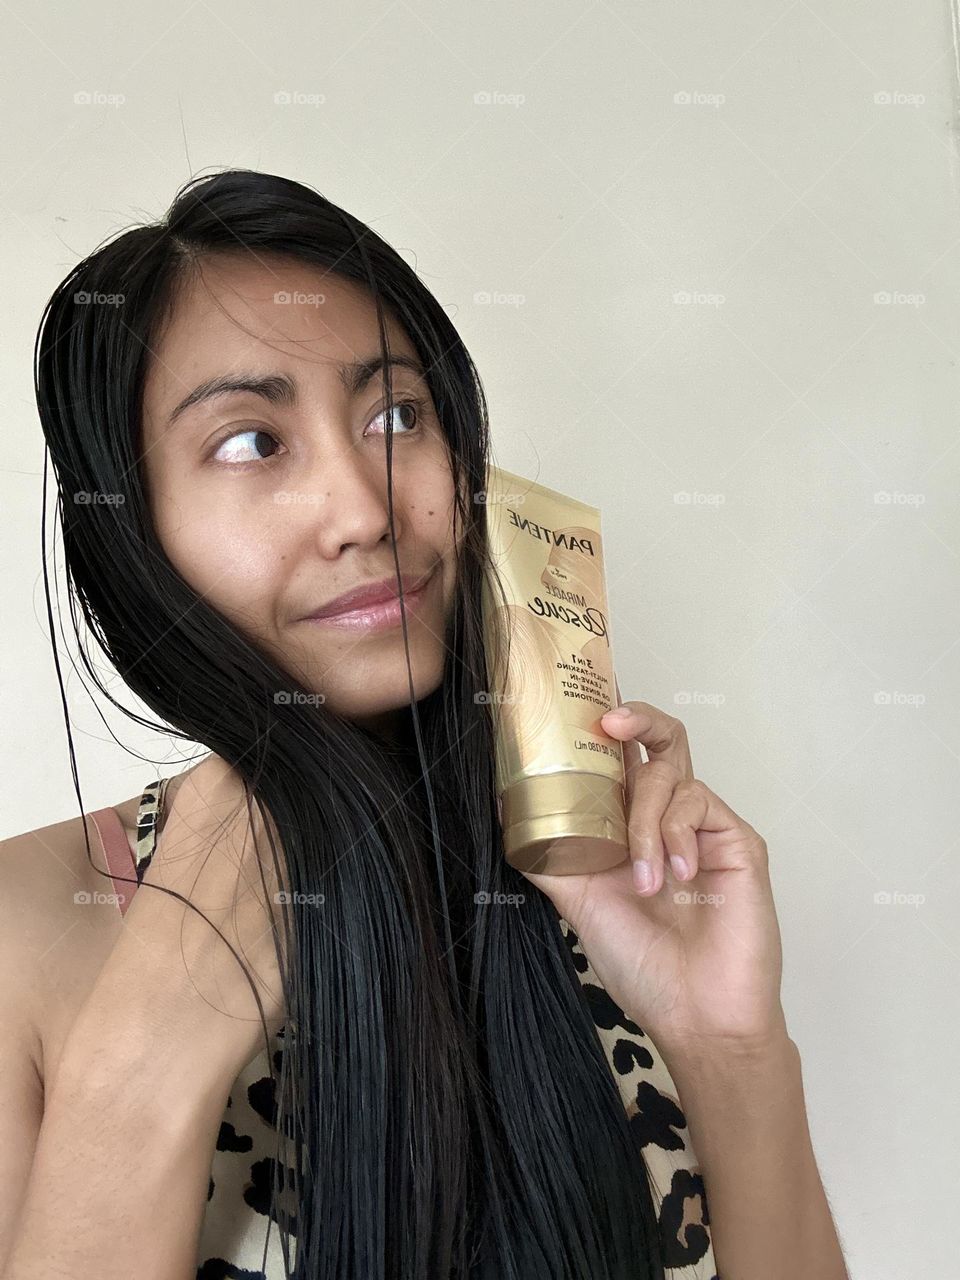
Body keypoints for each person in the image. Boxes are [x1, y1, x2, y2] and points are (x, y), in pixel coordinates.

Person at [0, 169, 845, 1280]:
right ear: (132, 529)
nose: (365, 509)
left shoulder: (591, 884)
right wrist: (144, 1053)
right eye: (252, 441)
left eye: (397, 415)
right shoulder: (34, 922)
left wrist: (730, 1044)